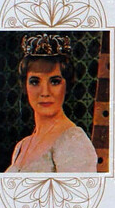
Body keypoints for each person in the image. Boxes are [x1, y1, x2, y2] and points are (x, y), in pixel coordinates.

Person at [6, 33, 98, 173]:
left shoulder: (73, 140)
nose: (45, 92)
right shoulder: (22, 145)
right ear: (25, 86)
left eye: (54, 82)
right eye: (35, 82)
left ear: (67, 86)